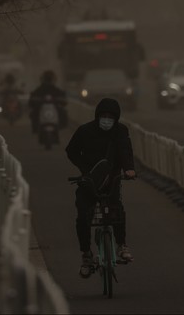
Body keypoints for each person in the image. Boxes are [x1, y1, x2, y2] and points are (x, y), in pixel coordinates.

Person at [65, 97, 136, 278]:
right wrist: (85, 170)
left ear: (116, 118)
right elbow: (71, 151)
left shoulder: (120, 131)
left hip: (112, 180)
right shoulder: (84, 131)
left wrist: (129, 169)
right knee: (83, 215)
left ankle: (122, 245)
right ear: (97, 116)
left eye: (110, 117)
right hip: (88, 181)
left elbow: (125, 151)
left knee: (117, 211)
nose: (106, 120)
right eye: (103, 116)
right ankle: (86, 255)